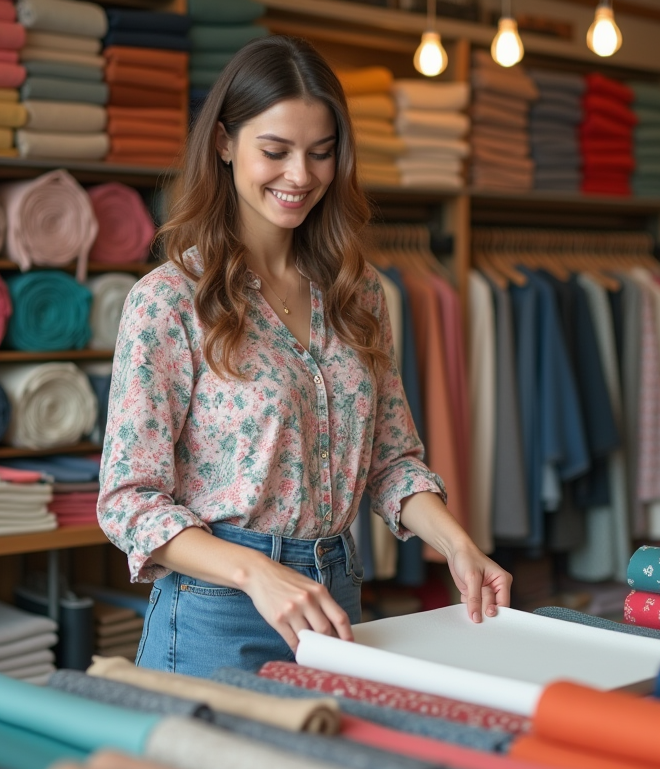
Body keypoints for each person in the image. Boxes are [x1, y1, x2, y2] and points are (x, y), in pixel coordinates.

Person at [97, 35, 512, 678]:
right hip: (218, 612)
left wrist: (458, 545)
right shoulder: (170, 301)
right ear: (225, 143)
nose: (301, 176)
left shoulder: (357, 292)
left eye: (321, 154)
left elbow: (391, 461)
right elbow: (129, 500)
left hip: (336, 599)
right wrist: (257, 572)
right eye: (276, 150)